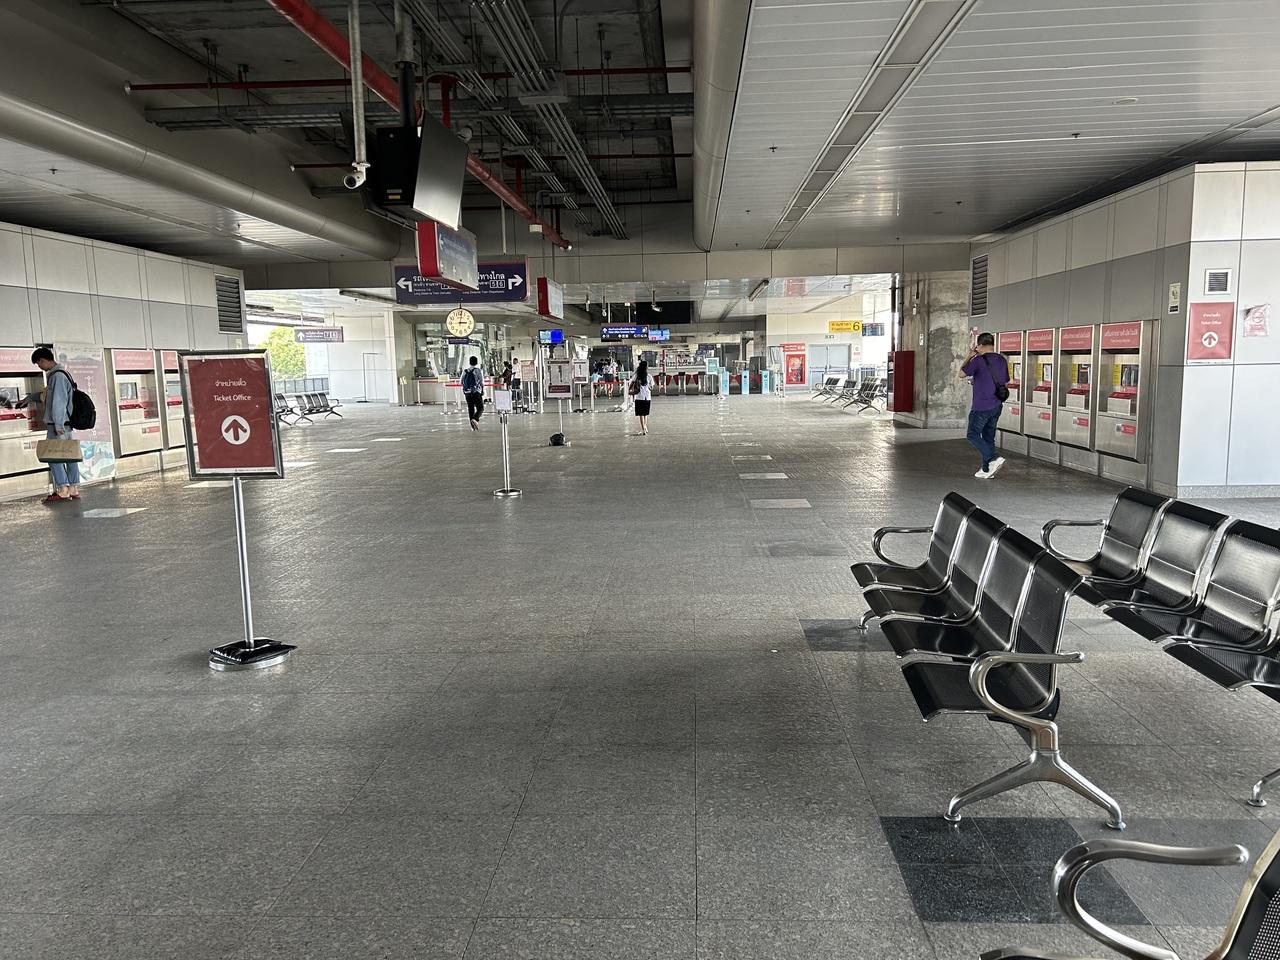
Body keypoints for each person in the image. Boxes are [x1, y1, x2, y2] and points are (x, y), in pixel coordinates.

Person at [31, 346, 81, 503]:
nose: (40, 367)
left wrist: (58, 425)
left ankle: (63, 489)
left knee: (53, 456)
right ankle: (73, 488)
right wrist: (30, 398)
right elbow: (48, 396)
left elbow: (59, 402)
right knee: (70, 455)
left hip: (58, 425)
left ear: (43, 360)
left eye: (39, 364)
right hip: (65, 424)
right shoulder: (63, 374)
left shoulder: (57, 377)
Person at [960, 332, 1010, 479]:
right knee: (989, 437)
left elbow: (961, 374)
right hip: (997, 405)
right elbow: (1005, 382)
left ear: (980, 345)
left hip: (981, 406)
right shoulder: (1001, 359)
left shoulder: (978, 360)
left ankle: (994, 458)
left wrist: (969, 355)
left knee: (972, 434)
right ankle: (987, 469)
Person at [629, 359, 653, 435]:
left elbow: (631, 384)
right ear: (646, 367)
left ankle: (643, 429)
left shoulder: (636, 376)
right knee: (645, 414)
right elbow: (651, 387)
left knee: (641, 414)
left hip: (639, 397)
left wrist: (629, 391)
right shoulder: (649, 376)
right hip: (647, 397)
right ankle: (645, 427)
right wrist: (647, 387)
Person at [462, 355, 485, 430]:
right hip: (475, 392)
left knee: (471, 408)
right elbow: (481, 382)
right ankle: (475, 419)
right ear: (476, 362)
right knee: (480, 407)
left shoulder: (465, 371)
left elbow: (461, 382)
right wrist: (482, 390)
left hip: (467, 393)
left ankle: (472, 427)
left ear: (469, 362)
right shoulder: (478, 370)